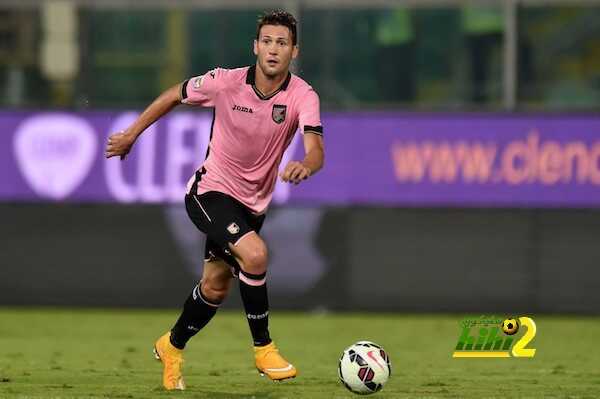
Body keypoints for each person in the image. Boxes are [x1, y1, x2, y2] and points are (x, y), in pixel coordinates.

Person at [104, 10, 324, 391]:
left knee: (215, 288)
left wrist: (306, 164)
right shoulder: (225, 83)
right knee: (255, 255)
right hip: (209, 192)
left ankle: (171, 346)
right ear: (255, 47)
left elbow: (316, 148)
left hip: (252, 206)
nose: (273, 50)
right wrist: (132, 134)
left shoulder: (303, 95)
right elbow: (175, 94)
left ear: (294, 51)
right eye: (267, 42)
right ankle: (264, 348)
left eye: (282, 43)